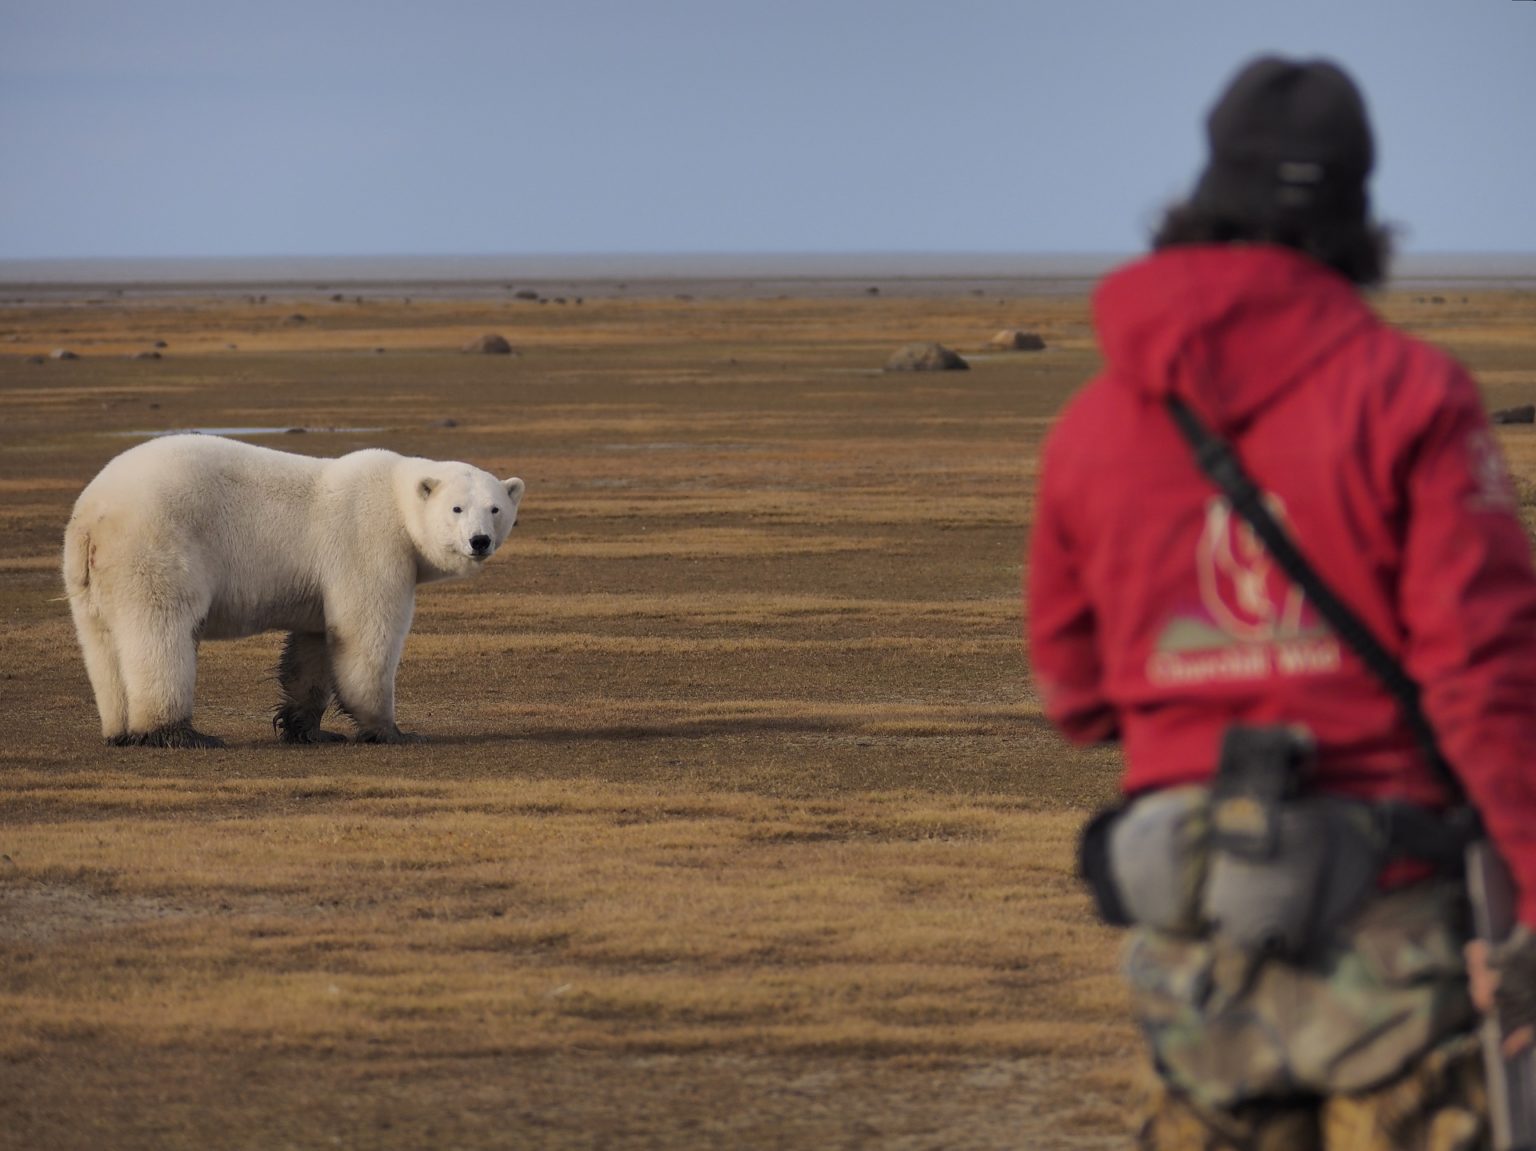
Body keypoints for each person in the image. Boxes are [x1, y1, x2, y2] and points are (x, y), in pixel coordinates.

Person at [1026, 55, 1536, 1149]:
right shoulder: (1413, 397)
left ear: (1205, 197)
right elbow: (1487, 680)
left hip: (1197, 955)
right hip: (1392, 939)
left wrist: (1204, 685)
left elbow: (1072, 692)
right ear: (1359, 209)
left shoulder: (1095, 425)